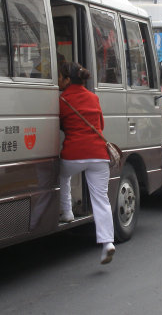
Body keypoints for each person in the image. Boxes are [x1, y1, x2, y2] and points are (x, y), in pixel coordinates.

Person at [58, 61, 115, 265]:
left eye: (60, 77)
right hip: (99, 154)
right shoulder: (93, 97)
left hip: (74, 155)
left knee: (63, 176)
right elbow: (100, 125)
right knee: (101, 199)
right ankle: (107, 243)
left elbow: (61, 125)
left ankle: (67, 212)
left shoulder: (63, 99)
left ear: (66, 79)